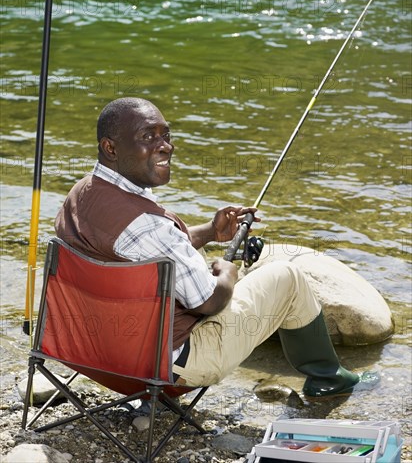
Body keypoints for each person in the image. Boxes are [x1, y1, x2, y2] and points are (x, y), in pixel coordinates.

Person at [55, 97, 378, 397]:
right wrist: (228, 273)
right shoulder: (147, 225)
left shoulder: (82, 195)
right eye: (148, 137)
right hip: (163, 369)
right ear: (110, 147)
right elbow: (208, 302)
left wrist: (210, 232)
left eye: (166, 135)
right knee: (287, 276)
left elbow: (143, 248)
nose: (165, 146)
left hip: (90, 354)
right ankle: (329, 379)